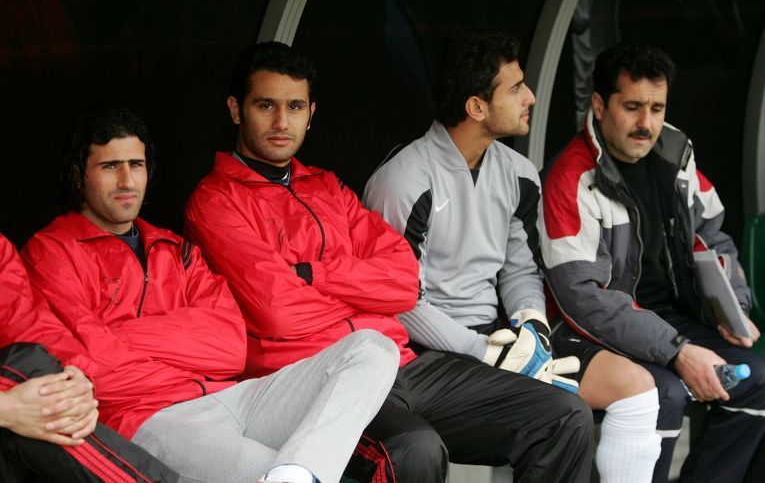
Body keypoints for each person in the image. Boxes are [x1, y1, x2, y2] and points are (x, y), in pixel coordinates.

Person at [184, 40, 594, 483]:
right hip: (316, 378)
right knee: (414, 448)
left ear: (311, 113)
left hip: (400, 362)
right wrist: (363, 293)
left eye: (295, 106)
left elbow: (403, 284)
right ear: (236, 110)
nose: (282, 122)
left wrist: (311, 275)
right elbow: (278, 312)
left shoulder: (326, 187)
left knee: (564, 415)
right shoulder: (215, 201)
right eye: (266, 105)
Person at [21, 107, 399, 483]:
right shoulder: (52, 252)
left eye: (136, 165)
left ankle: (299, 471)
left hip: (234, 397)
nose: (126, 180)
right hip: (152, 419)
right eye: (109, 167)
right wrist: (187, 345)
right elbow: (91, 374)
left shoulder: (175, 248)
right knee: (271, 473)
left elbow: (232, 349)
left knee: (373, 347)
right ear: (79, 174)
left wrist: (116, 334)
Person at [363, 29, 661, 483]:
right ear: (476, 107)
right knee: (566, 416)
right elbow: (398, 300)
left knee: (595, 407)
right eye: (516, 88)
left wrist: (531, 326)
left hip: (495, 340)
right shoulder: (403, 179)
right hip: (421, 356)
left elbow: (519, 269)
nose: (531, 97)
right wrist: (483, 350)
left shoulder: (518, 172)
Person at [539, 43, 765, 483]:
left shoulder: (675, 152)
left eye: (657, 108)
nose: (647, 123)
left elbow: (712, 234)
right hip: (585, 331)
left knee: (756, 378)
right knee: (664, 395)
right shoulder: (571, 178)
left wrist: (731, 307)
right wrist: (677, 352)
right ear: (600, 106)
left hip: (666, 320)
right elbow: (583, 299)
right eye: (633, 107)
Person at [0, 232, 177, 482]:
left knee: (46, 385)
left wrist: (77, 377)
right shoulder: (56, 248)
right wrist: (7, 408)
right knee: (28, 377)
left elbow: (26, 322)